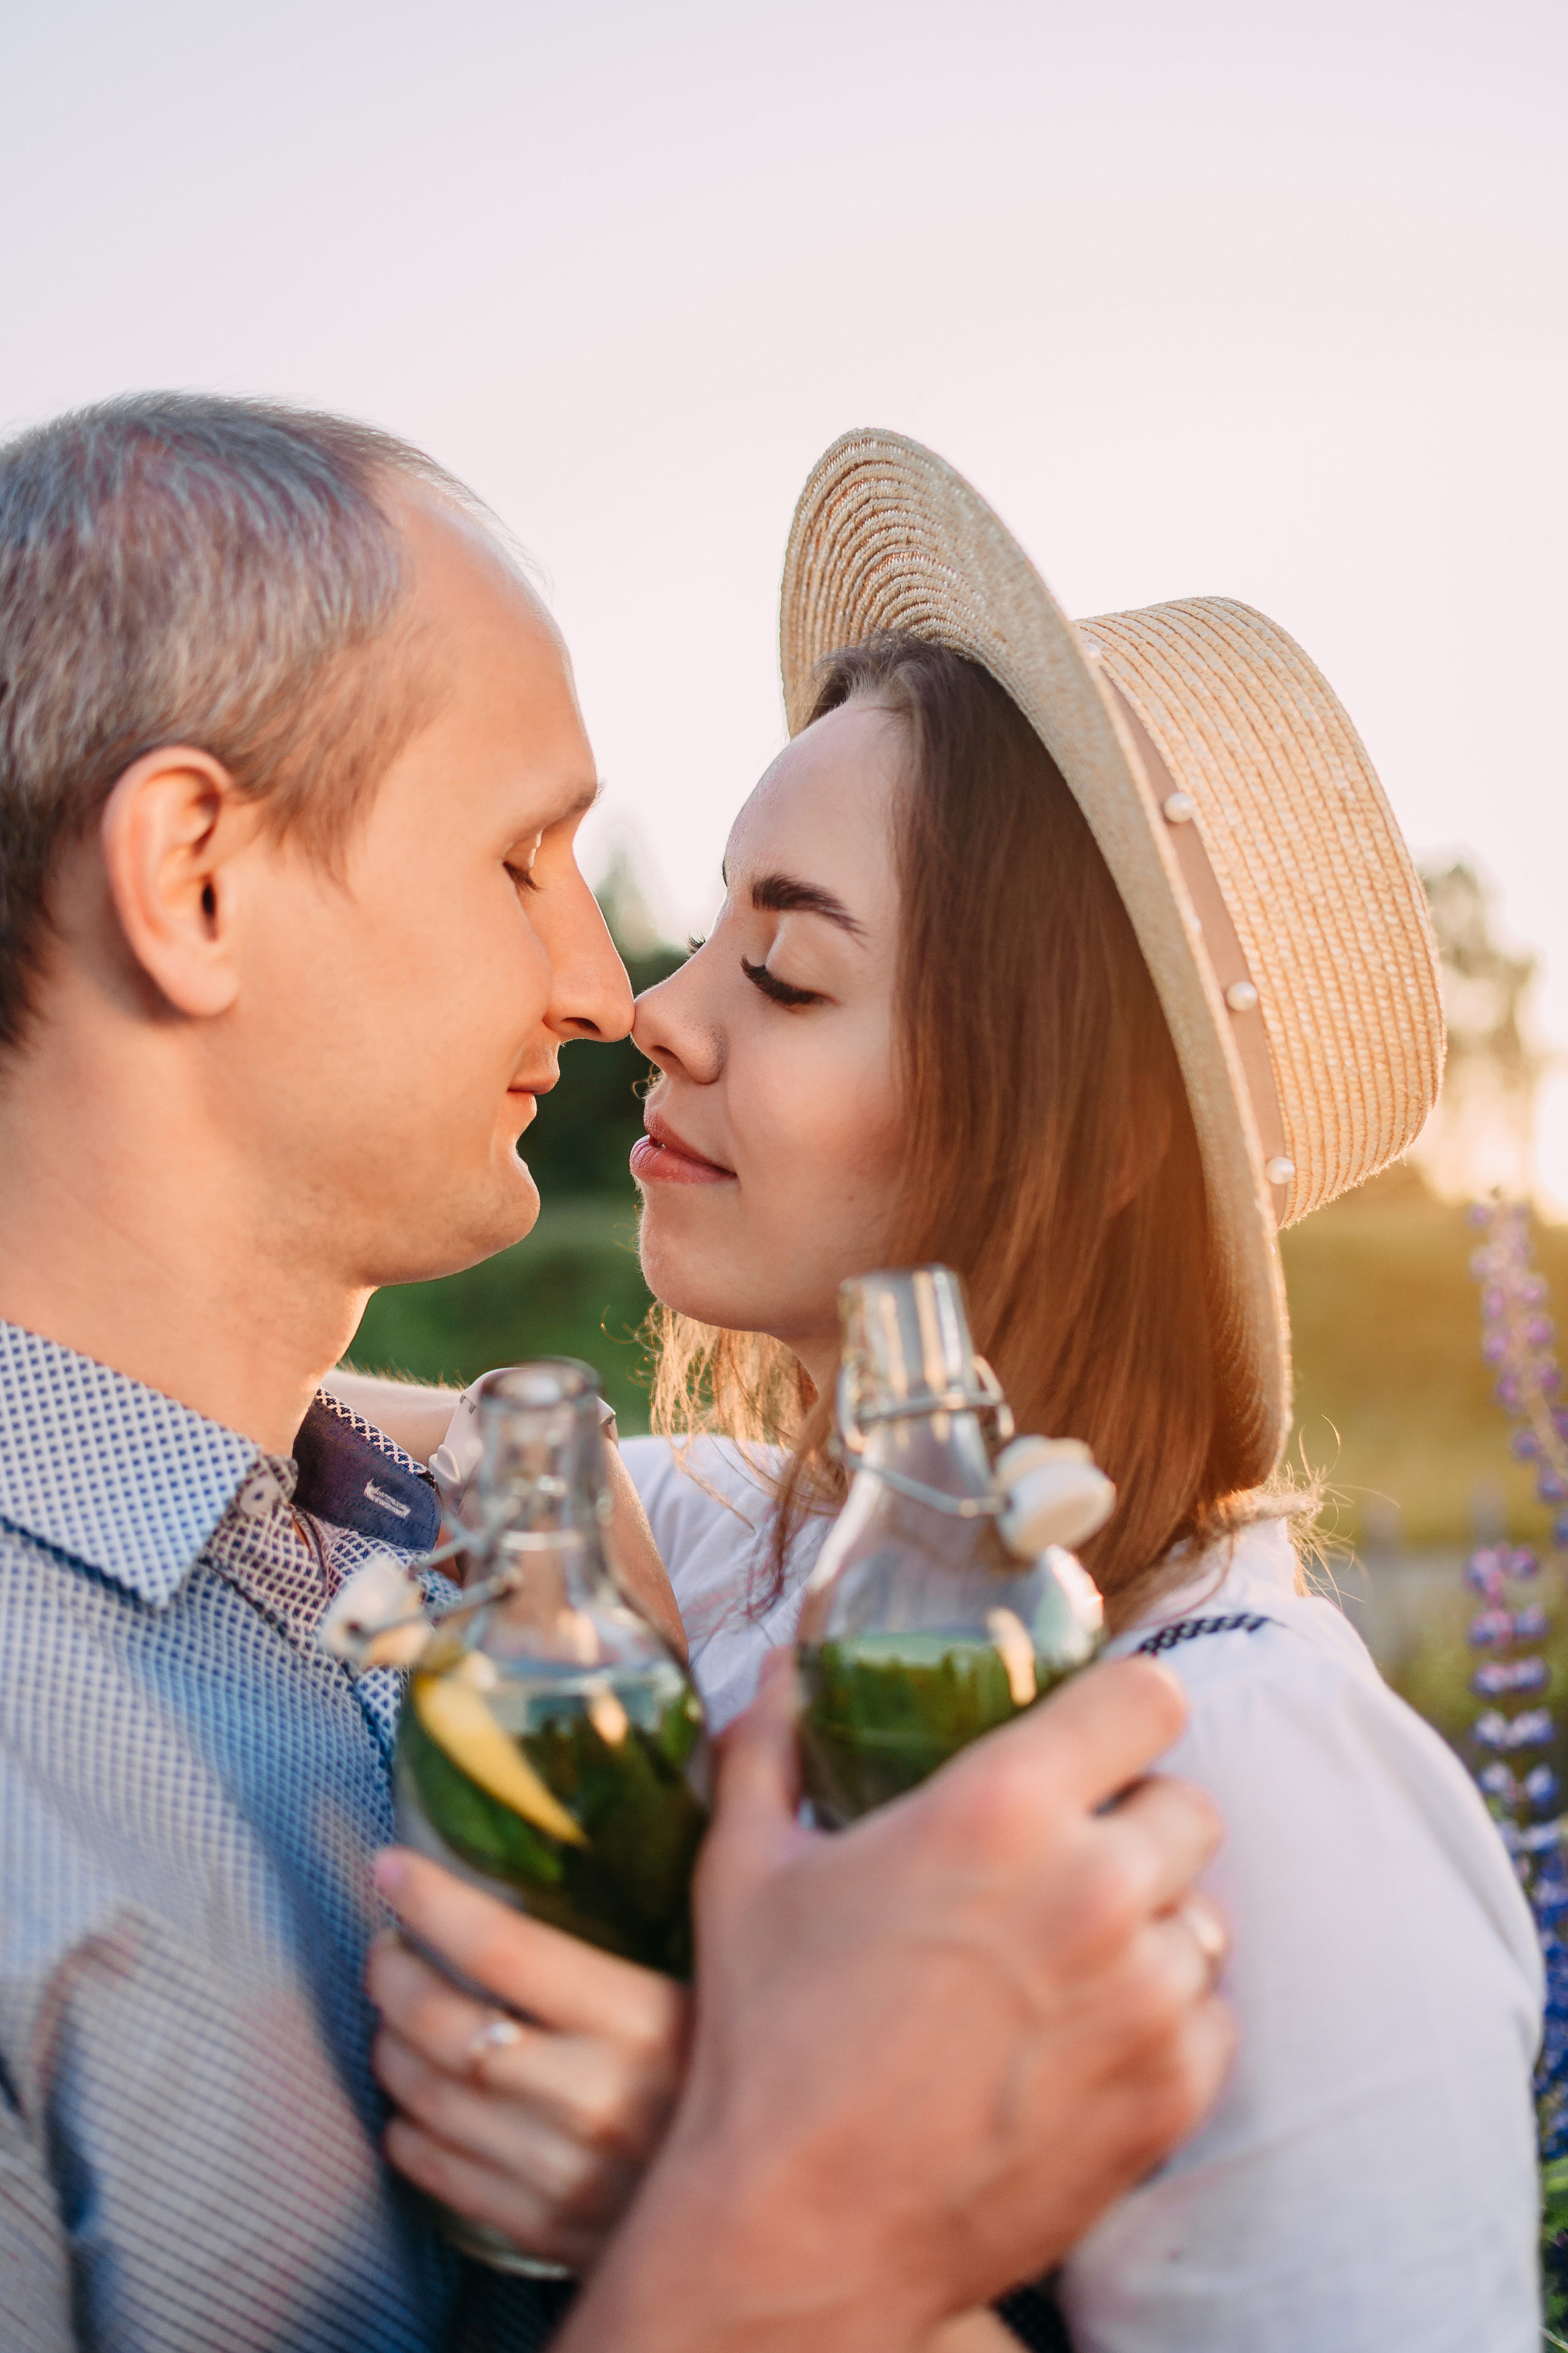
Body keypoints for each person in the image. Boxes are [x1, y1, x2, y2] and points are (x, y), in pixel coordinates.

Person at [0, 394, 1234, 2352]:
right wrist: (791, 2232)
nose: (602, 984)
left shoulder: (490, 1552)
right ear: (196, 877)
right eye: (522, 858)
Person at [363, 434, 1545, 2349]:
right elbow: (264, 1394)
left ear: (1070, 1142)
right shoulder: (729, 1548)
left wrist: (730, 2185)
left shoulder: (1258, 1793)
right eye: (709, 931)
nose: (661, 1008)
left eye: (788, 968)